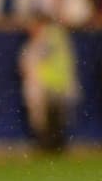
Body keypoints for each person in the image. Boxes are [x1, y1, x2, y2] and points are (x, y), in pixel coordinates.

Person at [19, 13, 80, 154]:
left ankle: (51, 146)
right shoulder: (58, 36)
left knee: (52, 118)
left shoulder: (49, 37)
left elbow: (42, 58)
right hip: (53, 83)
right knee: (50, 118)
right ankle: (52, 146)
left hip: (52, 83)